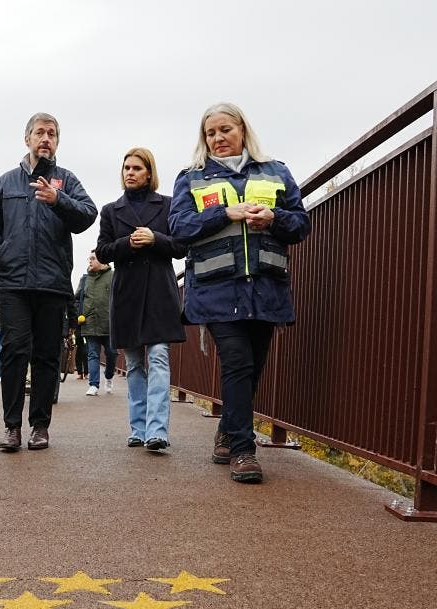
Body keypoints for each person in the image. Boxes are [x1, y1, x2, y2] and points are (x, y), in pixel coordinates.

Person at [168, 102, 311, 483]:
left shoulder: (276, 171)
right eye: (211, 133)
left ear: (242, 130)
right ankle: (244, 451)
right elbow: (179, 230)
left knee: (253, 366)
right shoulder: (191, 178)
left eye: (225, 129)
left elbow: (300, 224)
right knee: (237, 362)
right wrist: (224, 214)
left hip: (265, 288)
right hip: (216, 291)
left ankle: (228, 431)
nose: (218, 138)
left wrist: (274, 218)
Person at [0, 112, 97, 451]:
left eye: (52, 134)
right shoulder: (6, 182)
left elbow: (88, 215)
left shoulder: (67, 180)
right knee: (15, 351)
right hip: (13, 283)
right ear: (27, 139)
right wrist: (1, 254)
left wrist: (58, 200)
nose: (46, 139)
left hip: (52, 283)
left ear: (57, 142)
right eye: (40, 133)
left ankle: (40, 426)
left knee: (47, 355)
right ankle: (11, 427)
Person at [96, 148, 188, 451]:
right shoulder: (110, 210)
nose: (130, 172)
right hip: (128, 294)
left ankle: (157, 430)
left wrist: (155, 239)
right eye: (126, 168)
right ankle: (137, 427)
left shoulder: (168, 206)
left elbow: (180, 247)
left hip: (160, 292)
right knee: (135, 363)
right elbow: (104, 252)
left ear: (149, 173)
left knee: (159, 357)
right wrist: (129, 243)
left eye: (136, 168)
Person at [75, 251, 116, 396]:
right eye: (89, 259)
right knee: (92, 354)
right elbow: (76, 298)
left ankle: (109, 376)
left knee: (112, 353)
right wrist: (79, 314)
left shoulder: (113, 276)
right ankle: (94, 385)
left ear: (103, 260)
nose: (90, 261)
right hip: (89, 323)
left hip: (109, 323)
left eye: (93, 258)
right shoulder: (85, 279)